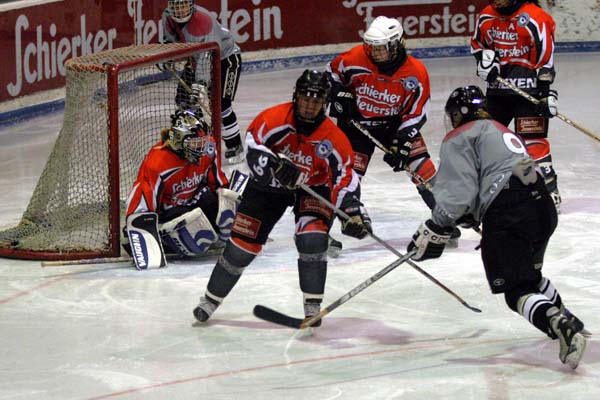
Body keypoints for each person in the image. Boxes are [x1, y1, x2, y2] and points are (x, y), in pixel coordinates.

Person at [407, 85, 587, 369]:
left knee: (516, 290)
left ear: (460, 114)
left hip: (509, 211)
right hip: (541, 205)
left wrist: (436, 224)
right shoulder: (501, 129)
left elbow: (457, 195)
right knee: (529, 274)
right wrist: (473, 213)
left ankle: (558, 323)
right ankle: (567, 317)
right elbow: (492, 175)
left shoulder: (460, 136)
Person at [193, 69, 370, 325]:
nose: (309, 106)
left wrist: (352, 211)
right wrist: (274, 164)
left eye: (317, 101)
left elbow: (344, 177)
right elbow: (252, 146)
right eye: (305, 99)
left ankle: (312, 307)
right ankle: (210, 300)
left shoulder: (334, 139)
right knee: (241, 248)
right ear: (296, 96)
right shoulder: (273, 119)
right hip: (268, 188)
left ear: (325, 103)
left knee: (312, 239)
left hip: (312, 188)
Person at [326, 16, 459, 250]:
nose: (374, 53)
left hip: (394, 126)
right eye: (371, 47)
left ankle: (444, 222)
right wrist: (338, 94)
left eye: (380, 48)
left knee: (423, 169)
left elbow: (417, 112)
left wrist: (402, 142)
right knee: (344, 175)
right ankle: (321, 231)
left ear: (397, 44)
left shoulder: (415, 72)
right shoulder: (354, 58)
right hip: (356, 126)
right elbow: (330, 75)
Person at [471, 0, 561, 212]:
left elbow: (546, 59)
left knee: (533, 143)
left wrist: (545, 92)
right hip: (497, 91)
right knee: (487, 142)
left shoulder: (536, 17)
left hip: (528, 91)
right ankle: (490, 192)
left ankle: (549, 191)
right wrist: (485, 62)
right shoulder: (486, 15)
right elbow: (478, 45)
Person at [125, 109, 240, 258]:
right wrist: (140, 231)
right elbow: (144, 199)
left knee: (229, 201)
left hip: (195, 199)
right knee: (194, 229)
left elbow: (218, 183)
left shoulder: (208, 148)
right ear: (178, 140)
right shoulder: (157, 163)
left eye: (202, 142)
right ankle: (166, 241)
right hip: (172, 211)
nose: (201, 148)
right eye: (194, 143)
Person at [162, 0, 244, 164]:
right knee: (185, 101)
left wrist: (199, 85)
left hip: (225, 60)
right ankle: (199, 140)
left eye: (183, 5)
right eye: (176, 6)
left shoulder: (203, 22)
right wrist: (167, 56)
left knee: (221, 105)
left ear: (191, 5)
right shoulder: (167, 16)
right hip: (196, 59)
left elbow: (207, 57)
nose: (180, 10)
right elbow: (171, 41)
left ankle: (235, 147)